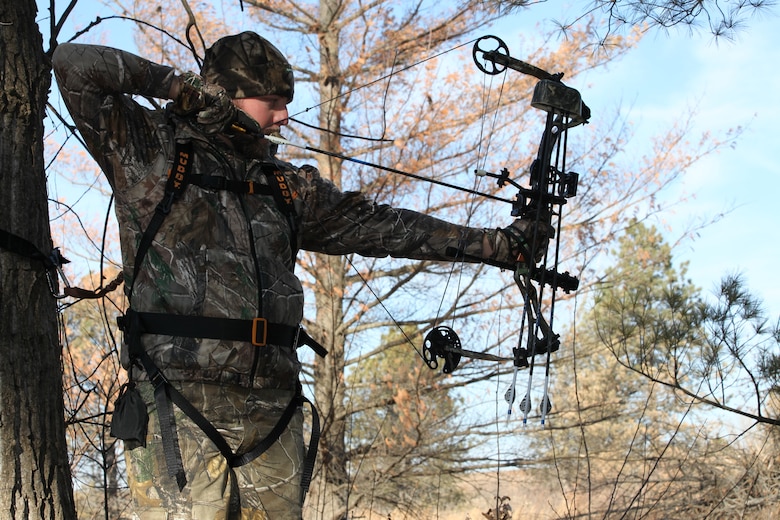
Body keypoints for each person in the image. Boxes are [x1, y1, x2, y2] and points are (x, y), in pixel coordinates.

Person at [52, 31, 549, 520]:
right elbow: (72, 63)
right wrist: (176, 86)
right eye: (272, 101)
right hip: (177, 399)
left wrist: (496, 245)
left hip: (273, 404)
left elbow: (387, 228)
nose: (285, 116)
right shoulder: (149, 151)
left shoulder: (288, 186)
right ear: (228, 95)